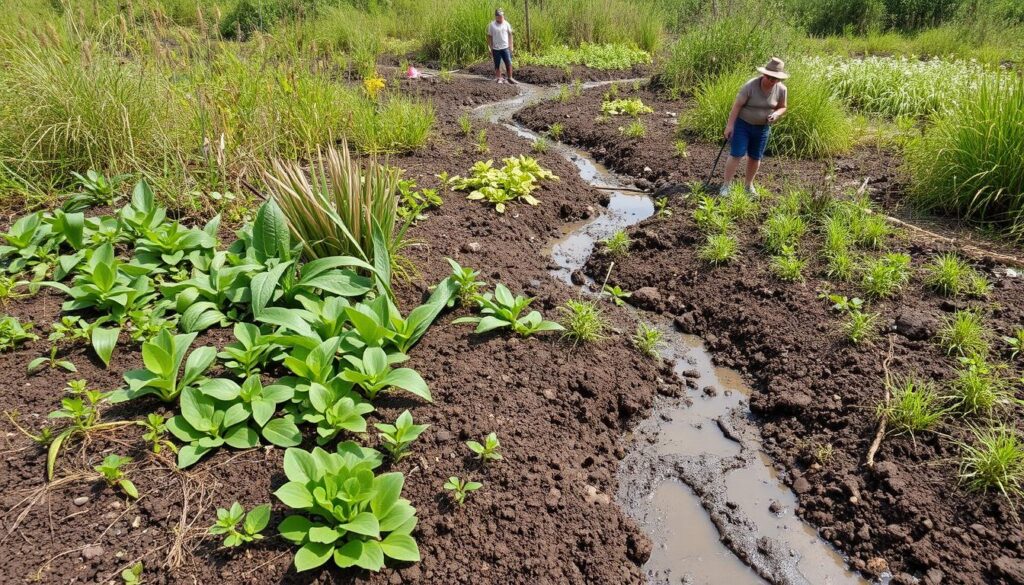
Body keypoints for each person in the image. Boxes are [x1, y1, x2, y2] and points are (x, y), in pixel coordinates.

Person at [720, 57, 789, 195]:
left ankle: (748, 186)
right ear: (765, 74)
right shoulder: (750, 86)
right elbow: (737, 106)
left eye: (776, 79)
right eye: (770, 77)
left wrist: (776, 114)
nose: (772, 81)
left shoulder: (781, 89)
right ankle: (726, 185)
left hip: (762, 128)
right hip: (742, 125)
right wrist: (730, 126)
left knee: (755, 157)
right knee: (737, 154)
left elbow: (783, 107)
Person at [487, 9, 515, 84]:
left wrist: (511, 46)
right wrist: (489, 47)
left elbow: (510, 35)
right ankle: (498, 78)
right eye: (499, 16)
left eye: (502, 15)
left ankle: (510, 78)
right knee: (497, 63)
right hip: (496, 48)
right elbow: (489, 36)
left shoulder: (507, 24)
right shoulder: (492, 25)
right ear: (496, 17)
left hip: (505, 47)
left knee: (508, 62)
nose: (501, 17)